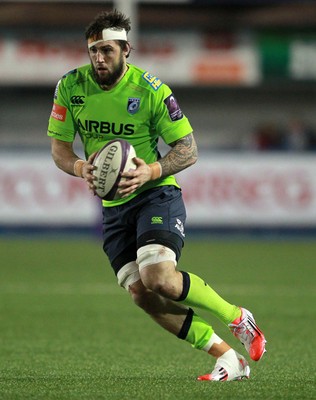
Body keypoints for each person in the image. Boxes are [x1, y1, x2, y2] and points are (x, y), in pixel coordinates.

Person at [47, 9, 266, 381]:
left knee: (159, 277)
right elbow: (60, 149)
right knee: (141, 294)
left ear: (126, 49)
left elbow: (188, 148)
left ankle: (237, 318)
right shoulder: (70, 86)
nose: (99, 58)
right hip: (114, 207)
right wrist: (82, 167)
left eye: (107, 50)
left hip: (155, 194)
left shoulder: (151, 90)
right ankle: (228, 357)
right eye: (93, 51)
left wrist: (150, 170)